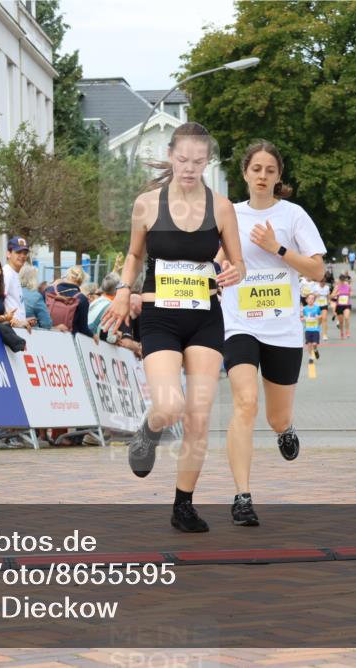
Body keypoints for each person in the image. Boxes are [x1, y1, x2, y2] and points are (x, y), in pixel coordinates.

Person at [101, 122, 244, 533]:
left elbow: (238, 263)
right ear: (170, 155)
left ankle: (183, 505)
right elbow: (133, 254)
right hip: (159, 316)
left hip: (205, 317)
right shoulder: (146, 204)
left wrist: (233, 272)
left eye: (198, 161)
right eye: (182, 159)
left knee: (199, 416)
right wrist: (125, 289)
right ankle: (149, 429)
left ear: (207, 161)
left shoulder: (221, 208)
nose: (189, 168)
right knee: (170, 407)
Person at [218, 140, 326, 526]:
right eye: (256, 169)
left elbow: (317, 271)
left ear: (279, 176)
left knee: (276, 417)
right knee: (245, 404)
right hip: (240, 323)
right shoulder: (227, 213)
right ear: (245, 173)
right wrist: (218, 274)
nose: (262, 176)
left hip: (282, 329)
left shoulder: (293, 216)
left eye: (270, 170)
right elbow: (215, 263)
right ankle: (242, 496)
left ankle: (286, 430)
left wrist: (276, 247)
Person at [45, 265, 93, 336]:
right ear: (81, 281)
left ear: (67, 276)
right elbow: (83, 328)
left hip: (46, 335)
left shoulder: (49, 290)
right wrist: (93, 335)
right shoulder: (82, 299)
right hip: (68, 339)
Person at [3, 236, 32, 328]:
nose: (22, 256)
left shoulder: (13, 273)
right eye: (18, 252)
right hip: (9, 329)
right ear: (8, 254)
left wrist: (23, 320)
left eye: (25, 253)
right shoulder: (7, 273)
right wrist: (11, 320)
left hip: (16, 328)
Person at [19, 264, 55, 330]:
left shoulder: (14, 293)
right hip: (31, 334)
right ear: (34, 279)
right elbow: (46, 324)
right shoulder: (36, 296)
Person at [302, 293, 322, 363]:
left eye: (312, 299)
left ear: (314, 300)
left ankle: (315, 350)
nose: (311, 300)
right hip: (308, 329)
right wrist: (304, 318)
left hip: (315, 329)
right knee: (309, 344)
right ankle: (311, 357)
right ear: (306, 300)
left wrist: (318, 317)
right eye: (309, 299)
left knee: (314, 344)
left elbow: (320, 316)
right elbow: (302, 316)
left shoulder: (317, 308)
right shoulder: (304, 308)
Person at [334, 274, 352, 338]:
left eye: (343, 280)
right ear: (339, 280)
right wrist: (337, 294)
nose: (342, 281)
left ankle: (347, 331)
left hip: (347, 304)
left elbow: (351, 293)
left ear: (345, 280)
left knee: (347, 317)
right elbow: (332, 295)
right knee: (341, 321)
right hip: (339, 305)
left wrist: (349, 294)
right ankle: (341, 332)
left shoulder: (348, 286)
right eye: (341, 280)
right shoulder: (337, 287)